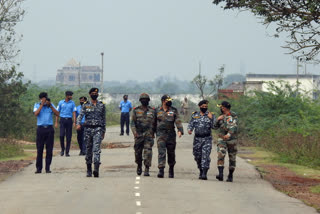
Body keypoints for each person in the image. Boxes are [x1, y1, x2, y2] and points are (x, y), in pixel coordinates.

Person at [76, 88, 106, 178]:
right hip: (88, 129)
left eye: (96, 93)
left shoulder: (101, 105)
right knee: (89, 149)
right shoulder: (86, 105)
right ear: (89, 94)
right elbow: (80, 115)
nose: (94, 94)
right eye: (92, 93)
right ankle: (89, 169)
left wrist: (103, 130)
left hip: (98, 129)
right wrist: (78, 124)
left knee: (96, 149)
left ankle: (96, 169)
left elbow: (103, 119)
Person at [155, 95, 183, 178]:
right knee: (161, 152)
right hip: (160, 134)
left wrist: (180, 130)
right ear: (163, 101)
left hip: (171, 134)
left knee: (171, 152)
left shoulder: (173, 110)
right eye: (168, 100)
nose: (169, 101)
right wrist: (152, 132)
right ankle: (161, 170)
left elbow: (178, 120)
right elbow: (153, 122)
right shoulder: (157, 110)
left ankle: (171, 169)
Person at [187, 100, 215, 180]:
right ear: (199, 106)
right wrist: (189, 130)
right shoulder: (195, 115)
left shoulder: (211, 115)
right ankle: (200, 169)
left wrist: (211, 118)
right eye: (203, 107)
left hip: (207, 138)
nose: (205, 108)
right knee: (197, 156)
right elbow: (191, 124)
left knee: (205, 156)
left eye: (206, 107)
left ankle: (204, 173)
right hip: (197, 139)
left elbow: (214, 126)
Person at [131, 93, 156, 176]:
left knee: (148, 152)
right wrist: (135, 133)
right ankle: (139, 165)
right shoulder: (136, 110)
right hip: (138, 134)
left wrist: (154, 133)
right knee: (138, 152)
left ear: (148, 100)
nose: (144, 100)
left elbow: (155, 123)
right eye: (143, 99)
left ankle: (147, 168)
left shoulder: (152, 110)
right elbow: (132, 123)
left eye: (146, 99)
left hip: (149, 134)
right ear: (140, 101)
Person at [33, 92, 59, 173]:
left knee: (49, 149)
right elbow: (36, 113)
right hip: (40, 129)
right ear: (40, 99)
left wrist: (50, 105)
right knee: (39, 149)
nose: (44, 100)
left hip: (49, 129)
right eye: (43, 98)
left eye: (45, 98)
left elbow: (57, 113)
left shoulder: (50, 105)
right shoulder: (37, 105)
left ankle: (47, 168)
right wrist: (41, 104)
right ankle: (38, 168)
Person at [213, 101, 238, 182]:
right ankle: (220, 174)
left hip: (232, 140)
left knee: (232, 158)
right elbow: (214, 127)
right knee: (220, 155)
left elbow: (234, 127)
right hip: (222, 139)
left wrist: (229, 135)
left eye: (221, 107)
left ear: (224, 107)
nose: (220, 108)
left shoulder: (233, 115)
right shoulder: (221, 116)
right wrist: (217, 120)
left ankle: (230, 175)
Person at [55, 91, 77, 157]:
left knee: (68, 137)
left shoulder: (72, 103)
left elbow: (74, 113)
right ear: (67, 96)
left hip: (69, 120)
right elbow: (57, 112)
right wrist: (56, 122)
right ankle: (62, 149)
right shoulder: (61, 102)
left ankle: (67, 152)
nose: (71, 97)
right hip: (62, 120)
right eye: (70, 95)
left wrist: (74, 122)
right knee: (61, 135)